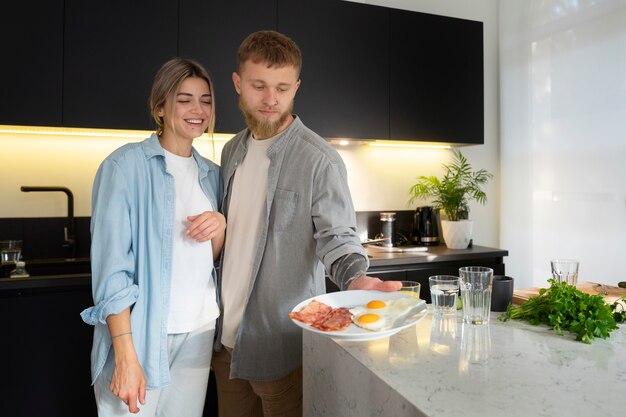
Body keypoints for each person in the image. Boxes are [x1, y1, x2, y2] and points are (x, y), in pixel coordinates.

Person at [212, 30, 401, 417]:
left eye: (282, 88)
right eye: (259, 86)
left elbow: (338, 238)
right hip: (225, 347)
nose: (270, 99)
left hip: (280, 349)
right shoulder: (232, 150)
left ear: (296, 86)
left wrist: (354, 278)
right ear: (238, 83)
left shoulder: (320, 160)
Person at [80, 57, 226, 416]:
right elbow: (112, 271)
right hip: (141, 336)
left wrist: (221, 226)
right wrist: (125, 355)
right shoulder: (123, 166)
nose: (197, 109)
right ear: (160, 107)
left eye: (205, 100)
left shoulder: (213, 175)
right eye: (184, 98)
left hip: (199, 330)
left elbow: (211, 260)